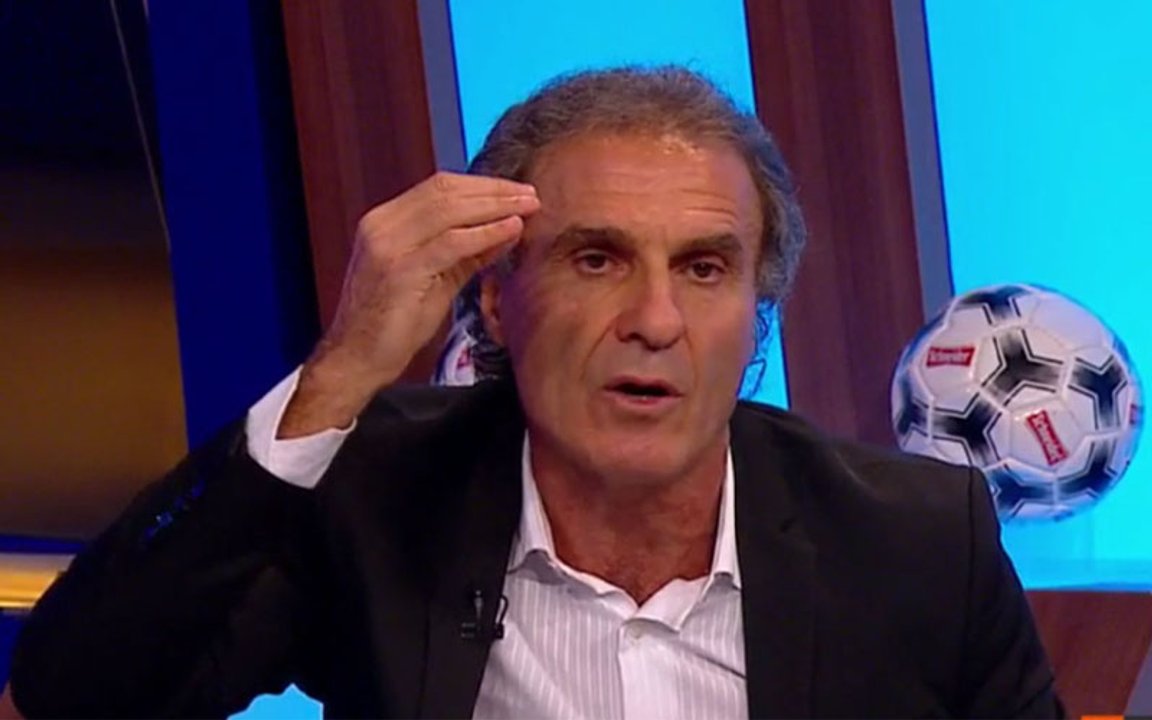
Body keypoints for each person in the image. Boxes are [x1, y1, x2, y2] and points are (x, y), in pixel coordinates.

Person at [6, 66, 1062, 719]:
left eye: (704, 268)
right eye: (596, 259)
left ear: (758, 316)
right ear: (496, 303)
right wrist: (338, 375)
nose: (654, 320)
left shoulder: (917, 543)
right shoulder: (377, 493)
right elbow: (71, 697)